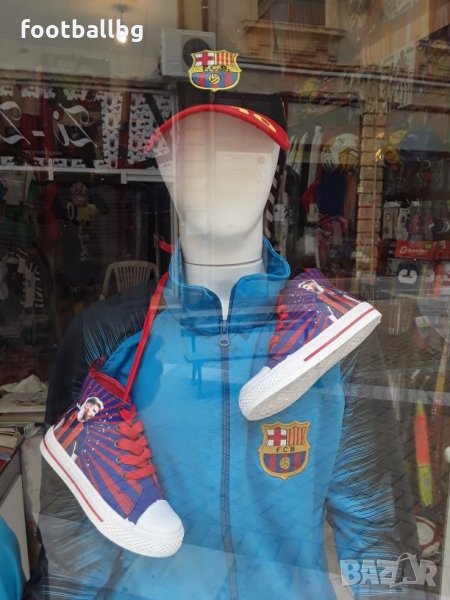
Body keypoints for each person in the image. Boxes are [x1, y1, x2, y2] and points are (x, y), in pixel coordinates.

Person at [33, 104, 420, 599]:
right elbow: (70, 551)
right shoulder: (105, 337)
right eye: (198, 156)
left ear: (273, 169)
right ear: (167, 172)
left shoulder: (334, 341)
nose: (220, 177)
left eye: (244, 155)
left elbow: (378, 530)